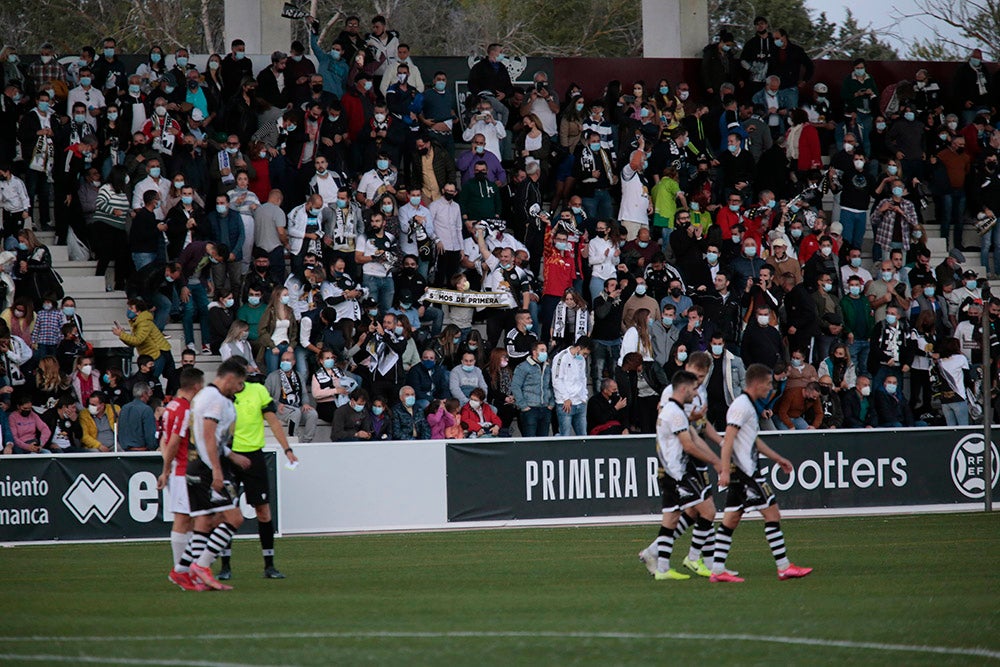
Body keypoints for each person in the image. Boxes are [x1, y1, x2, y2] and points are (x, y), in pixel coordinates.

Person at [711, 363, 813, 583]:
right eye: (768, 384)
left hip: (744, 471)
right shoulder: (742, 406)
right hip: (747, 473)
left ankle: (718, 570)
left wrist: (777, 458)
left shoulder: (748, 405)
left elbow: (752, 440)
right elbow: (729, 438)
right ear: (756, 384)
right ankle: (784, 567)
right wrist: (725, 469)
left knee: (731, 519)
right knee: (772, 514)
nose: (769, 388)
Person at [175, 360, 252, 591]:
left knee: (206, 521)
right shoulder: (215, 399)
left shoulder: (206, 396)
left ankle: (181, 570)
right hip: (207, 467)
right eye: (239, 383)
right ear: (229, 378)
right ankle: (202, 566)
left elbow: (206, 435)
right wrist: (218, 470)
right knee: (235, 518)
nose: (239, 388)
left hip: (197, 464)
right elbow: (208, 436)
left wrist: (231, 455)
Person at [639, 370, 723, 581]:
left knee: (672, 518)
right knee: (708, 511)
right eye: (694, 389)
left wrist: (715, 457)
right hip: (677, 473)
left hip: (669, 471)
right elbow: (688, 444)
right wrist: (715, 461)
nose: (696, 394)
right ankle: (694, 558)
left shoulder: (673, 410)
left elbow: (694, 437)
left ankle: (663, 568)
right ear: (684, 389)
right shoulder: (674, 413)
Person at [224, 359, 297, 581]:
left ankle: (269, 565)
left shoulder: (258, 391)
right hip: (230, 456)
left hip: (254, 457)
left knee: (263, 511)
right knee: (228, 512)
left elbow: (273, 422)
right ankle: (225, 566)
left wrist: (287, 449)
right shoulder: (221, 397)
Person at [158, 366, 206, 590]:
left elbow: (163, 440)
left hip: (179, 469)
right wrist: (166, 470)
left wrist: (166, 465)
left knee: (191, 520)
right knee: (183, 519)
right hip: (182, 471)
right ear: (196, 386)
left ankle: (187, 569)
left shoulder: (170, 407)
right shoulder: (185, 409)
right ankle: (180, 571)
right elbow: (174, 441)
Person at [112, 298, 174, 380]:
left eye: (131, 308)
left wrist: (121, 334)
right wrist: (123, 335)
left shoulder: (144, 322)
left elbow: (138, 340)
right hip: (152, 355)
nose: (128, 310)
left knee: (152, 380)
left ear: (138, 312)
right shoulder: (138, 323)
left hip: (158, 354)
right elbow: (133, 342)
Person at [265, 349, 318, 443]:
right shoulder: (272, 376)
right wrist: (276, 403)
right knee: (295, 413)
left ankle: (306, 441)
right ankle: (293, 438)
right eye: (283, 360)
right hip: (280, 408)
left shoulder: (299, 376)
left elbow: (304, 394)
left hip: (297, 405)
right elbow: (264, 396)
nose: (285, 362)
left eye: (288, 360)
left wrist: (305, 403)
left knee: (312, 414)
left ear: (293, 362)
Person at [511, 341, 554, 437]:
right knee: (530, 442)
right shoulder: (523, 367)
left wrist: (551, 403)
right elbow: (515, 386)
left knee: (543, 442)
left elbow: (551, 386)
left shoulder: (547, 367)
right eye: (542, 350)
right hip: (530, 409)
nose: (545, 353)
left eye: (546, 350)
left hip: (545, 408)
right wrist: (523, 406)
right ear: (534, 352)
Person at [551, 336, 591, 436]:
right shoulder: (561, 357)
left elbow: (583, 378)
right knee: (565, 436)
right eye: (584, 353)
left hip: (580, 402)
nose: (585, 356)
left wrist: (584, 396)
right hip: (565, 404)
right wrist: (566, 398)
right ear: (578, 348)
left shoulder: (581, 359)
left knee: (583, 437)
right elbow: (556, 380)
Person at [117, 384, 157, 451]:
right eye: (149, 393)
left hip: (124, 451)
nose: (150, 396)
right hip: (142, 451)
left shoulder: (124, 408)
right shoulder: (146, 409)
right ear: (144, 394)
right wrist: (152, 447)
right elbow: (150, 434)